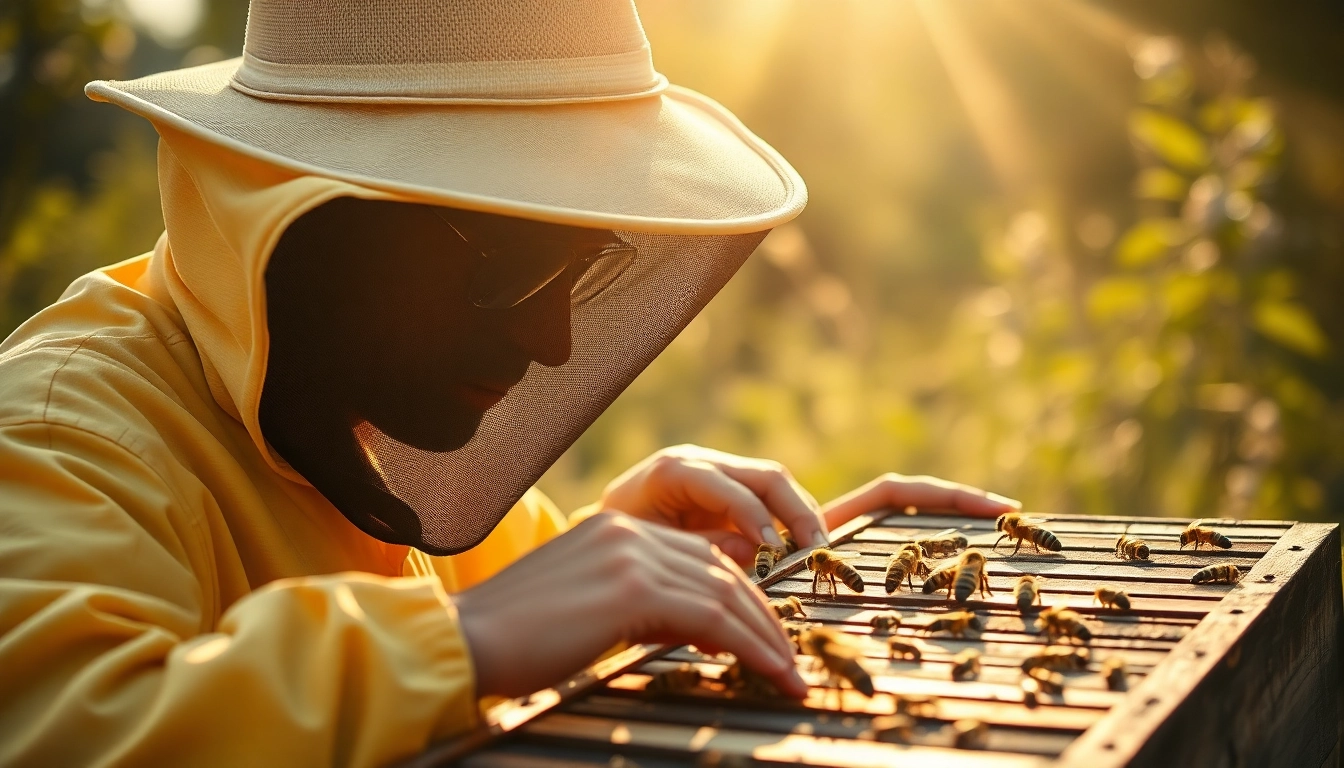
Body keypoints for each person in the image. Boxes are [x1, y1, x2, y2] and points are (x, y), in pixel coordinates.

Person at [0, 1, 1018, 765]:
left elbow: (485, 609)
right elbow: (66, 727)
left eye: (581, 269)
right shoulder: (57, 436)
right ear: (314, 221)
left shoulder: (333, 402)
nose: (555, 339)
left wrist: (646, 568)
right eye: (515, 267)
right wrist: (466, 639)